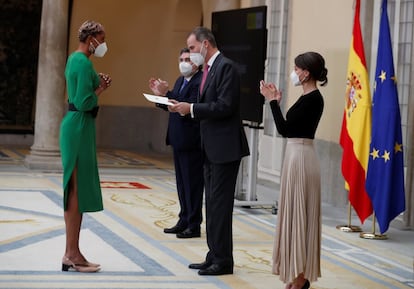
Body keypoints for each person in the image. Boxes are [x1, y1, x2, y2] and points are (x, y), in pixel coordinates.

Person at [170, 26, 250, 276]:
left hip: (225, 148)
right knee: (211, 204)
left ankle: (224, 260)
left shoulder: (225, 66)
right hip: (210, 147)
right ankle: (213, 254)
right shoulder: (209, 69)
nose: (191, 53)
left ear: (205, 44)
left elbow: (225, 106)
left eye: (192, 48)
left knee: (220, 206)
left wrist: (191, 108)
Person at [259, 51, 328, 289]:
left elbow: (285, 130)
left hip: (301, 156)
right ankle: (297, 274)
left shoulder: (314, 99)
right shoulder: (306, 97)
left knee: (300, 216)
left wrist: (271, 102)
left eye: (297, 69)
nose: (294, 73)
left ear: (307, 73)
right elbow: (289, 128)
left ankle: (301, 277)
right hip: (296, 155)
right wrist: (276, 102)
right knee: (294, 215)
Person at [59, 20, 112, 273]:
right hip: (79, 125)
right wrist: (100, 88)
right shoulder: (82, 61)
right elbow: (83, 101)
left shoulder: (74, 59)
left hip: (77, 126)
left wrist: (95, 84)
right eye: (101, 39)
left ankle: (74, 252)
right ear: (90, 38)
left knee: (75, 189)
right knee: (75, 191)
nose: (103, 45)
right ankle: (71, 254)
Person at [148, 48, 204, 239]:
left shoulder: (200, 81)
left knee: (192, 184)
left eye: (187, 59)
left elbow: (189, 106)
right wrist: (160, 96)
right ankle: (184, 218)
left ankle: (193, 223)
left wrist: (167, 93)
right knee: (181, 183)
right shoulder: (180, 80)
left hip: (192, 140)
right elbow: (173, 106)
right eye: (181, 59)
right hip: (178, 138)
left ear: (196, 62)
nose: (183, 62)